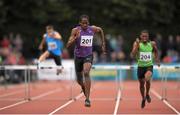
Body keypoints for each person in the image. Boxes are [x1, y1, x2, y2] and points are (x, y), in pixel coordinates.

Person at [66, 14, 106, 107]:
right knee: (79, 80)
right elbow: (68, 45)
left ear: (88, 23)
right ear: (80, 23)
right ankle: (83, 87)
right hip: (78, 56)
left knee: (86, 72)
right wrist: (75, 38)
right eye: (83, 23)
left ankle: (87, 99)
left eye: (86, 23)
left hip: (88, 55)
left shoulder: (92, 29)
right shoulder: (75, 30)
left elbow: (101, 30)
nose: (85, 25)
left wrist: (103, 43)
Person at [130, 30, 160, 108]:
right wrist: (136, 45)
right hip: (140, 67)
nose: (144, 38)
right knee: (141, 84)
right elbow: (133, 54)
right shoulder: (137, 44)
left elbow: (156, 51)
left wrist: (157, 59)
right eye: (143, 36)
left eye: (146, 36)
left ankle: (147, 94)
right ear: (140, 36)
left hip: (149, 65)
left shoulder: (152, 44)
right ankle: (143, 98)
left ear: (148, 37)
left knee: (147, 78)